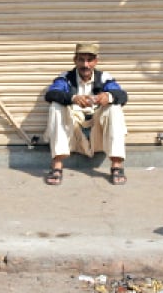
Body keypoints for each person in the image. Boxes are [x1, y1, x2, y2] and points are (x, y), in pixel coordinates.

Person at [43, 42, 128, 185]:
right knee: (56, 105)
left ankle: (117, 166)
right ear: (75, 60)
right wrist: (73, 98)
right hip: (74, 134)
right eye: (81, 60)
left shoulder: (104, 77)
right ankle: (57, 165)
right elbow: (51, 94)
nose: (85, 65)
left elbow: (122, 95)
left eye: (89, 60)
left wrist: (108, 97)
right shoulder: (66, 78)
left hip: (97, 133)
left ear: (96, 61)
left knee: (114, 107)